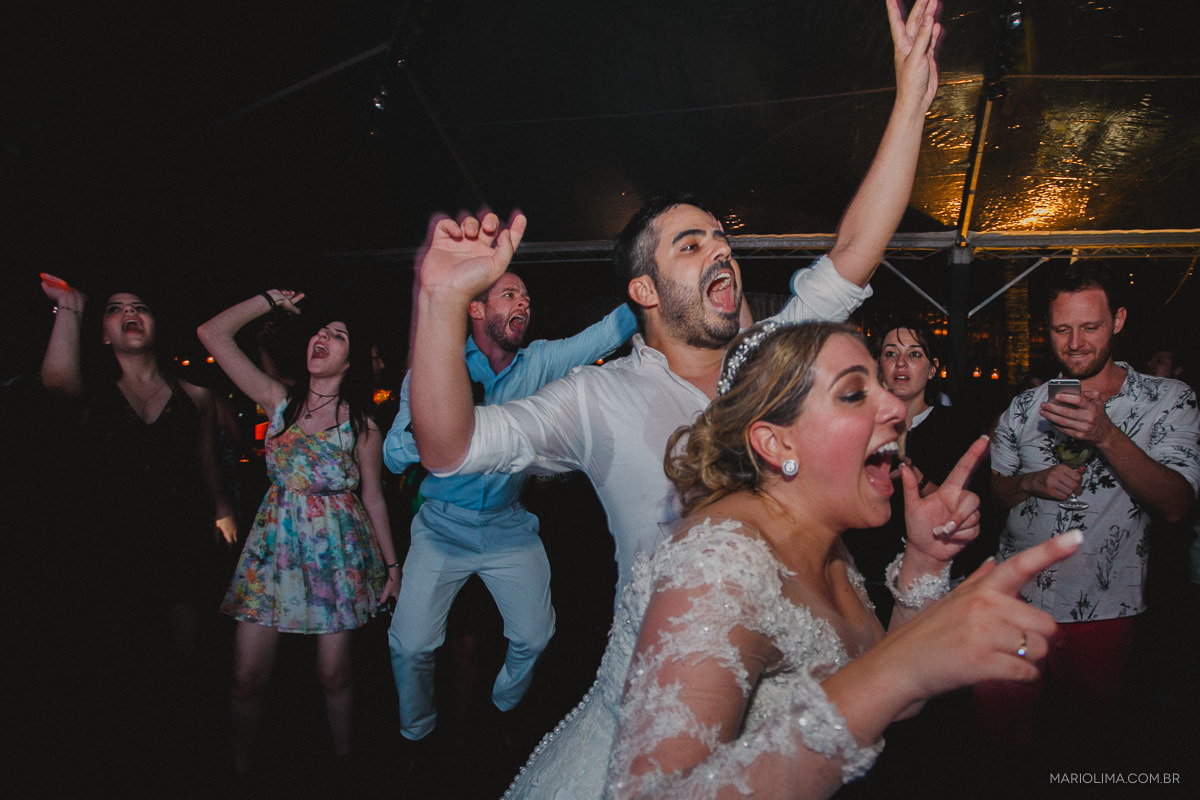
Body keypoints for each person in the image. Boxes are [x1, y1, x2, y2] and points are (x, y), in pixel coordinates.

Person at [409, 0, 945, 610]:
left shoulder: (774, 353)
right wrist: (439, 299)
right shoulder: (597, 398)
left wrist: (909, 106)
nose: (721, 252)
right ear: (645, 291)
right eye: (692, 245)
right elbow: (449, 450)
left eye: (722, 239)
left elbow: (854, 250)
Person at [504, 321, 1084, 798]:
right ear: (776, 444)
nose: (897, 409)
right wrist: (895, 671)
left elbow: (883, 698)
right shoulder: (720, 562)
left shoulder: (822, 538)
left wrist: (926, 563)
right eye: (856, 392)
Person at [383, 271, 637, 743]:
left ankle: (504, 703)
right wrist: (439, 424)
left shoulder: (539, 361)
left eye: (526, 297)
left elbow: (606, 333)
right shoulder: (436, 370)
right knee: (410, 644)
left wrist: (649, 285)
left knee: (536, 636)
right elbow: (391, 454)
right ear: (476, 309)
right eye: (509, 295)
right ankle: (416, 730)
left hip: (508, 526)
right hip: (441, 527)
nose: (523, 303)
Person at [980, 262, 1200, 762]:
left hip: (1103, 607)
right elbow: (997, 492)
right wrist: (1031, 482)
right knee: (1000, 739)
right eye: (1062, 328)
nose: (1075, 342)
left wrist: (1105, 434)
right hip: (1014, 602)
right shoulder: (1023, 406)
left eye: (1090, 327)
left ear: (1118, 321)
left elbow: (1176, 505)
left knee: (1090, 744)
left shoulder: (1167, 402)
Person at [197, 289, 402, 773]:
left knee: (334, 674)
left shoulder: (362, 427)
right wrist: (268, 301)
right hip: (274, 553)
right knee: (246, 677)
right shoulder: (279, 402)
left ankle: (344, 767)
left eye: (337, 335)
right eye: (319, 331)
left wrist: (393, 567)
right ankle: (239, 768)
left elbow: (373, 496)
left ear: (349, 361)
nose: (322, 337)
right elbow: (211, 334)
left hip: (337, 555)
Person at [38, 274, 237, 656]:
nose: (130, 310)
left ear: (154, 327)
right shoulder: (94, 393)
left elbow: (207, 459)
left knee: (186, 646)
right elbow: (57, 380)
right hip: (113, 532)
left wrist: (223, 508)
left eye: (139, 307)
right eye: (115, 309)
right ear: (105, 336)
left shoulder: (196, 395)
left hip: (180, 529)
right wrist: (69, 306)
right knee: (122, 646)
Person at [844, 318, 975, 617]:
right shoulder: (855, 425)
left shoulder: (956, 429)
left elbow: (968, 514)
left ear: (932, 368)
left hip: (929, 587)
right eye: (891, 354)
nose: (901, 363)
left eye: (914, 354)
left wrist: (920, 481)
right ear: (878, 365)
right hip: (860, 582)